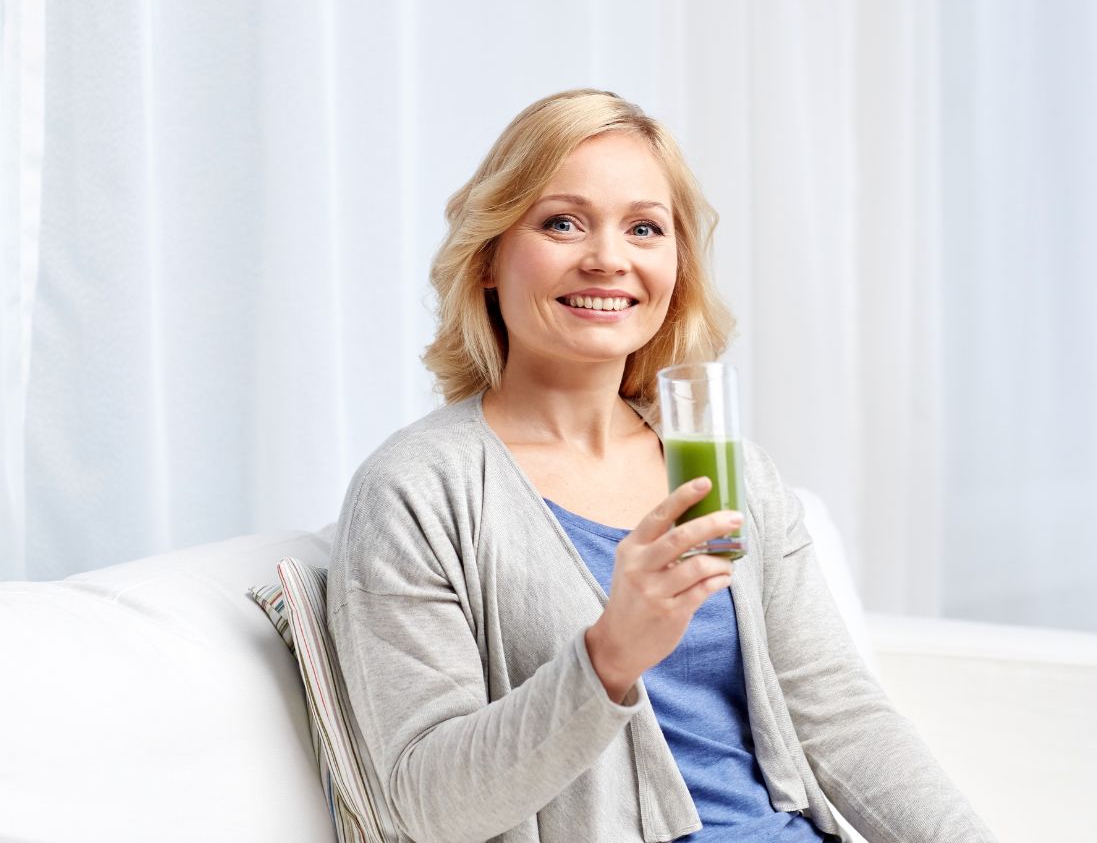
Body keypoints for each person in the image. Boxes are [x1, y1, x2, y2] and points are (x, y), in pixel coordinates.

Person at [326, 89, 996, 843]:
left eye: (644, 228)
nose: (608, 258)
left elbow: (839, 714)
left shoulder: (729, 473)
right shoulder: (417, 490)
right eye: (562, 223)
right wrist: (608, 655)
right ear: (487, 257)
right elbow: (429, 804)